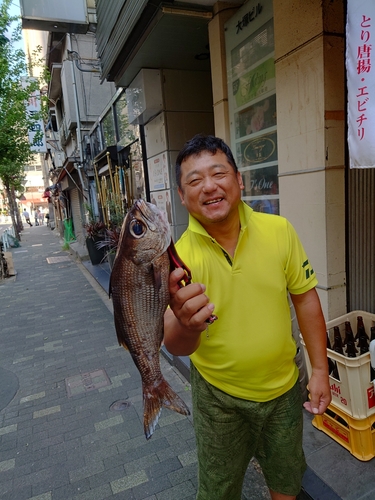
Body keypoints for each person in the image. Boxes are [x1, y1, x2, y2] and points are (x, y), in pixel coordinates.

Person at [163, 135, 331, 500]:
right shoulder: (177, 258)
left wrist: (319, 370)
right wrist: (186, 324)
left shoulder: (279, 230)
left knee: (286, 481)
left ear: (239, 180)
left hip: (285, 389)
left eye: (218, 173)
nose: (209, 186)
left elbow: (305, 300)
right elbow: (174, 343)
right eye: (194, 180)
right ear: (181, 194)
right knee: (218, 490)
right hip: (218, 399)